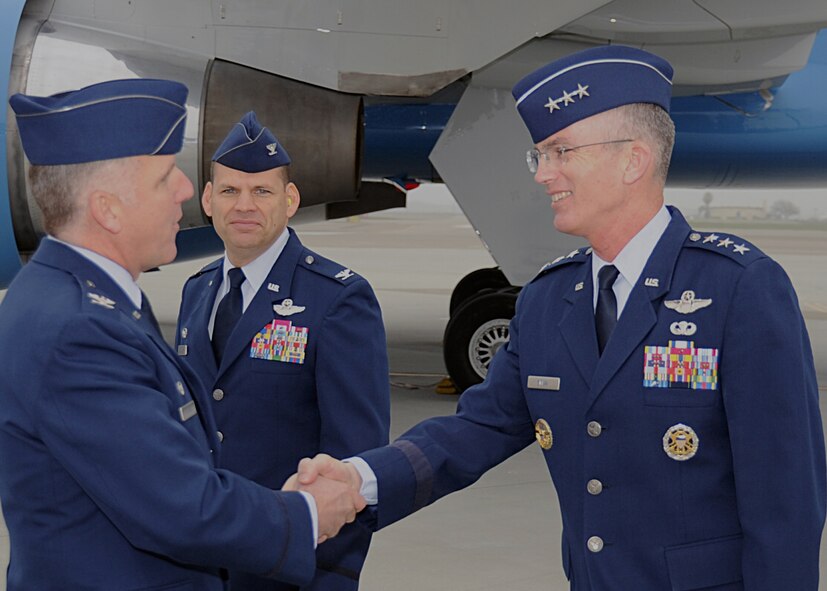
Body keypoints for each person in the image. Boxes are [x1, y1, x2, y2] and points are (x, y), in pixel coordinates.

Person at [294, 45, 827, 590]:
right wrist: (359, 478)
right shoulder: (548, 300)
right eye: (540, 155)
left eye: (560, 152)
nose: (543, 174)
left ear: (633, 160)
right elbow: (475, 429)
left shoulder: (738, 288)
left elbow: (785, 502)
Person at [0, 79, 365, 591]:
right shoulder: (79, 330)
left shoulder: (69, 296)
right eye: (164, 177)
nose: (187, 190)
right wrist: (306, 513)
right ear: (108, 208)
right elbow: (180, 506)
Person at [175, 111, 390, 590]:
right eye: (229, 191)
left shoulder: (336, 299)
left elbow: (355, 461)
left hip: (287, 568)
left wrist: (329, 576)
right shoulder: (197, 291)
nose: (243, 205)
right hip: (199, 564)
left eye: (262, 191)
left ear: (290, 200)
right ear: (208, 200)